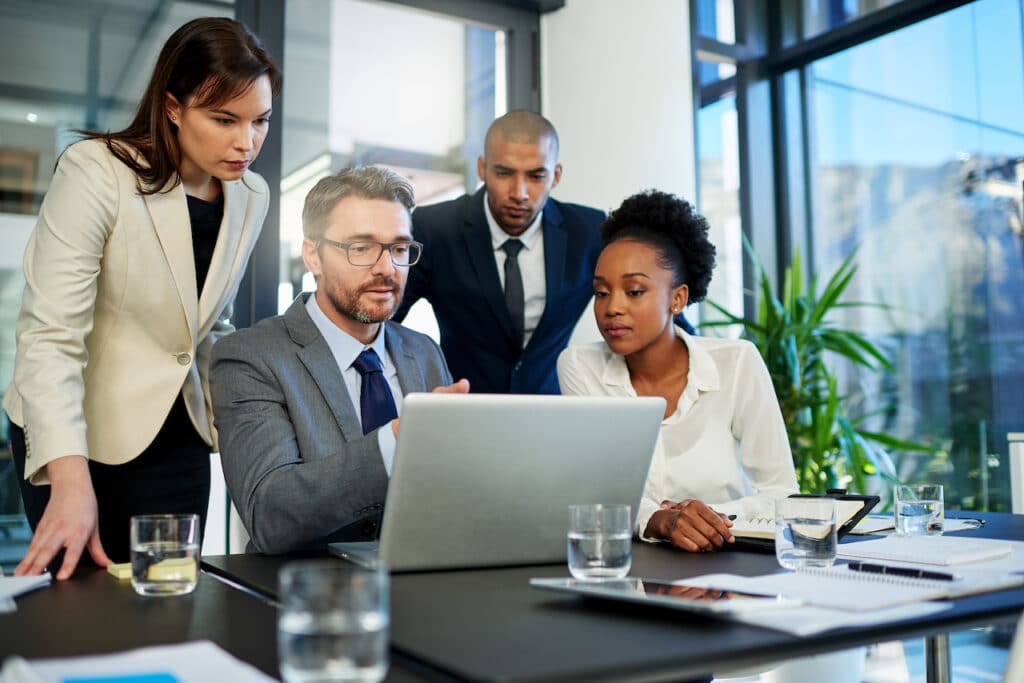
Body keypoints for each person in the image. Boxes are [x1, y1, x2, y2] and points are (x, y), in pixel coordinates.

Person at [5, 17, 281, 579]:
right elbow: (49, 336)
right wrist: (70, 478)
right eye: (224, 119)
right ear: (174, 107)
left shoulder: (252, 194)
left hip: (178, 432)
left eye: (261, 122)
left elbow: (206, 323)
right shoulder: (96, 172)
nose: (246, 142)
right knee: (81, 616)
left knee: (169, 602)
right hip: (78, 429)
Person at [210, 167, 468, 555]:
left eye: (399, 248)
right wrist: (395, 442)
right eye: (361, 248)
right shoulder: (250, 357)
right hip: (305, 598)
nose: (387, 268)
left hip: (423, 589)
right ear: (313, 255)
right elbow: (270, 516)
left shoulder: (424, 351)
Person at [557, 190, 798, 553]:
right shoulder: (579, 366)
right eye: (602, 292)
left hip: (732, 561)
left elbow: (781, 494)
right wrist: (661, 521)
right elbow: (597, 493)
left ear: (677, 299)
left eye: (634, 291)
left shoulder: (737, 363)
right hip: (632, 567)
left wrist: (704, 518)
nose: (612, 308)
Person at [393, 110, 605, 394]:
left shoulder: (589, 232)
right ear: (482, 168)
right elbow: (385, 319)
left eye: (536, 176)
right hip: (462, 411)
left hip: (550, 414)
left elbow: (652, 315)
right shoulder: (434, 228)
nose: (519, 193)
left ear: (555, 175)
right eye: (504, 173)